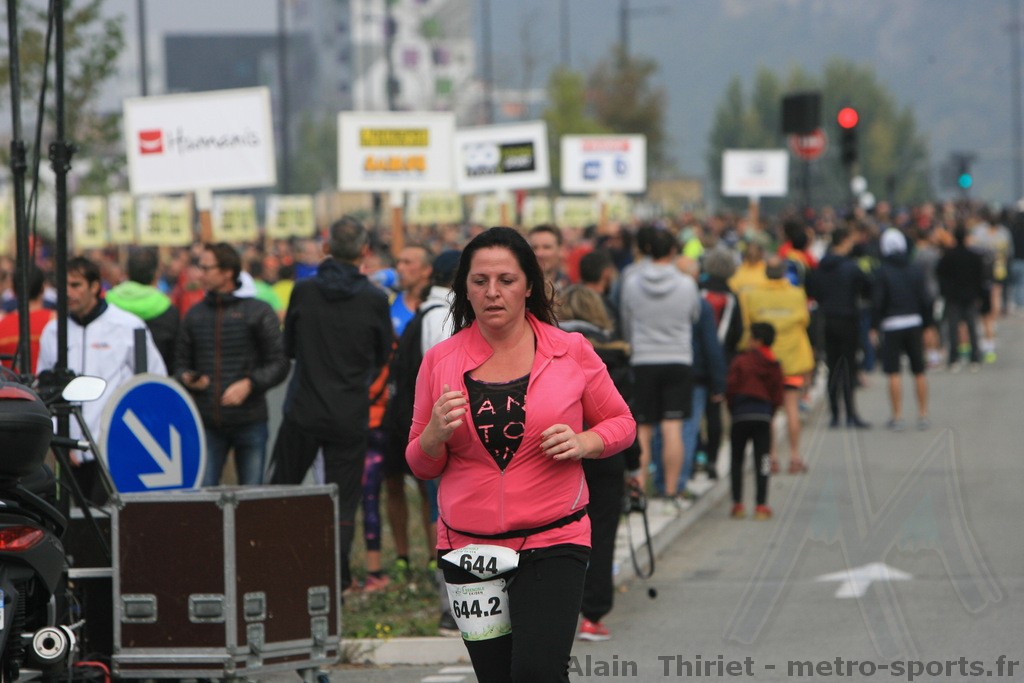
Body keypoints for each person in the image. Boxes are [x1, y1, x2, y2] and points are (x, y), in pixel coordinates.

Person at [405, 227, 635, 682]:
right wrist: (433, 435)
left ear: (529, 285)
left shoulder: (570, 350)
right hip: (468, 547)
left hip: (554, 538)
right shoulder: (440, 361)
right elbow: (420, 463)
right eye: (480, 281)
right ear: (465, 288)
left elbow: (621, 422)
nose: (492, 292)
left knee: (537, 671)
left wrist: (584, 442)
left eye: (506, 280)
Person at [268, 216, 392, 593]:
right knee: (343, 501)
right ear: (365, 251)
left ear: (326, 248)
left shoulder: (304, 291)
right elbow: (382, 354)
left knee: (281, 491)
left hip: (303, 408)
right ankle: (336, 579)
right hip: (349, 411)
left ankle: (273, 571)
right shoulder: (374, 298)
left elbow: (289, 348)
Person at [36, 255, 167, 503]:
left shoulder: (128, 326)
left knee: (111, 519)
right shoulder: (53, 331)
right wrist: (58, 438)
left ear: (95, 286)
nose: (68, 293)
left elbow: (153, 381)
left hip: (116, 449)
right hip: (69, 452)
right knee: (73, 522)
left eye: (76, 285)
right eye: (63, 286)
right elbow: (44, 391)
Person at [555, 285, 641, 642]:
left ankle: (558, 610)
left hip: (558, 454)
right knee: (602, 535)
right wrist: (634, 467)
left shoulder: (548, 351)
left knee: (557, 534)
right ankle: (593, 614)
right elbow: (626, 414)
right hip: (606, 455)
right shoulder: (616, 354)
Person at [174, 243, 289, 486]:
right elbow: (180, 364)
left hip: (250, 420)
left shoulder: (258, 311)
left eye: (207, 268)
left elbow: (280, 362)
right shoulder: (194, 315)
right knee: (204, 496)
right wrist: (188, 378)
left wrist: (250, 384)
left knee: (251, 497)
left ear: (227, 272)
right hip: (206, 422)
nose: (200, 274)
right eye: (199, 267)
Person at [619, 228, 701, 500]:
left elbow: (627, 320)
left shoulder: (632, 282)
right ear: (673, 250)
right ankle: (671, 490)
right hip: (678, 358)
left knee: (643, 429)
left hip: (643, 358)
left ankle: (639, 489)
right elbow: (693, 316)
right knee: (672, 427)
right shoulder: (687, 284)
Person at [739, 256, 815, 474]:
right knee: (792, 408)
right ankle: (795, 458)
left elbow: (748, 326)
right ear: (783, 272)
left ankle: (770, 459)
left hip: (764, 364)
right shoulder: (797, 294)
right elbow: (805, 321)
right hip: (793, 362)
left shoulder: (752, 295)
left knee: (768, 413)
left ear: (765, 272)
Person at [806, 226, 873, 428]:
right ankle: (851, 413)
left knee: (832, 366)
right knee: (849, 367)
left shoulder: (821, 266)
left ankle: (835, 414)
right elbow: (868, 287)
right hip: (848, 319)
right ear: (844, 240)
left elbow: (812, 289)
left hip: (827, 319)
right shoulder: (851, 267)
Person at [871, 228, 933, 431]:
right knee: (919, 370)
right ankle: (923, 414)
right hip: (914, 322)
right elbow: (926, 299)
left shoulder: (881, 271)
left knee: (893, 372)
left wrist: (874, 326)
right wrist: (929, 325)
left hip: (891, 324)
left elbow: (878, 302)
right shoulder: (915, 269)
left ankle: (897, 416)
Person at [727, 322, 784, 520]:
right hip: (763, 416)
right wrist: (771, 412)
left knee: (736, 459)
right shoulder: (773, 364)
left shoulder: (741, 360)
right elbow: (777, 394)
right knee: (764, 461)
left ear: (757, 340)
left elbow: (731, 387)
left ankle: (738, 504)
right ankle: (761, 505)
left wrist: (732, 408)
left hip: (740, 415)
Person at [106, 248, 180, 370]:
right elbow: (174, 355)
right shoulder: (168, 310)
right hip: (156, 377)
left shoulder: (107, 303)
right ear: (156, 274)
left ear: (126, 272)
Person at [936, 224, 985, 372]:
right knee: (972, 327)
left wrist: (945, 292)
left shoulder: (947, 256)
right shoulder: (974, 256)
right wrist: (979, 295)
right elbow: (980, 278)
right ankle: (975, 358)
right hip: (970, 296)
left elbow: (940, 275)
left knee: (953, 329)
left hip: (952, 297)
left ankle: (953, 359)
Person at [0, 264, 55, 372]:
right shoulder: (55, 321)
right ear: (43, 288)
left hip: (10, 382)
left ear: (13, 290)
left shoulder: (2, 324)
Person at [528, 224, 571, 294]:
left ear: (561, 250)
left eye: (546, 247)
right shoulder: (521, 288)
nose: (539, 253)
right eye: (534, 248)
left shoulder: (569, 289)